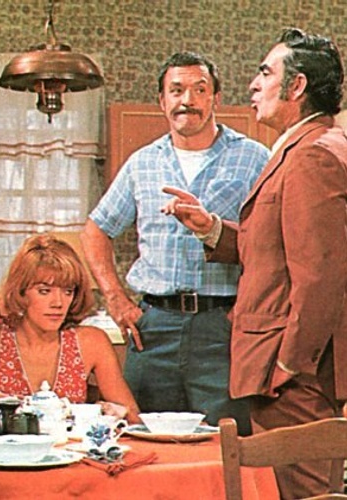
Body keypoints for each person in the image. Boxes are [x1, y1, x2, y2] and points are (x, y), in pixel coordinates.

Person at [162, 28, 347, 499]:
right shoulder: (302, 147)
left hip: (293, 379)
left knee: (304, 494)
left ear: (297, 86)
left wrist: (289, 363)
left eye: (266, 73)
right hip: (281, 374)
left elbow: (321, 276)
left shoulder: (312, 156)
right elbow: (275, 250)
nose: (253, 84)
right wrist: (210, 228)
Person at [80, 51, 270, 435]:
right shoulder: (142, 163)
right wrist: (115, 299)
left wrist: (247, 309)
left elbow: (273, 245)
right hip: (153, 328)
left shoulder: (254, 159)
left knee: (228, 444)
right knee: (143, 440)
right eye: (177, 90)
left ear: (216, 98)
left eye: (200, 90)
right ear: (162, 100)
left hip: (223, 327)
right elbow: (96, 230)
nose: (188, 100)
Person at [0, 234, 140, 428]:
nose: (58, 303)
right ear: (21, 292)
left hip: (72, 454)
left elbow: (133, 417)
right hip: (4, 456)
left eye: (68, 291)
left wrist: (113, 412)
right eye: (44, 291)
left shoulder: (92, 342)